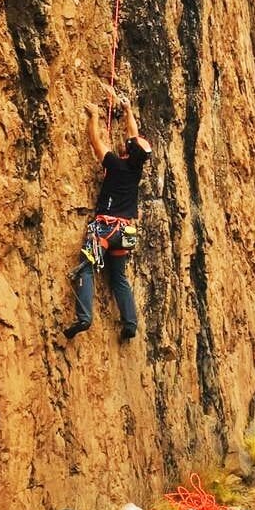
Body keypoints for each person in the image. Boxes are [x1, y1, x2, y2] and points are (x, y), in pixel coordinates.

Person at [63, 90, 152, 342]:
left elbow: (95, 142)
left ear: (127, 151)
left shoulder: (114, 163)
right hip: (124, 234)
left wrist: (93, 117)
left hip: (105, 230)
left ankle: (84, 318)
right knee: (119, 277)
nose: (128, 141)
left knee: (87, 268)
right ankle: (130, 324)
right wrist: (127, 110)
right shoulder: (135, 169)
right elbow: (133, 134)